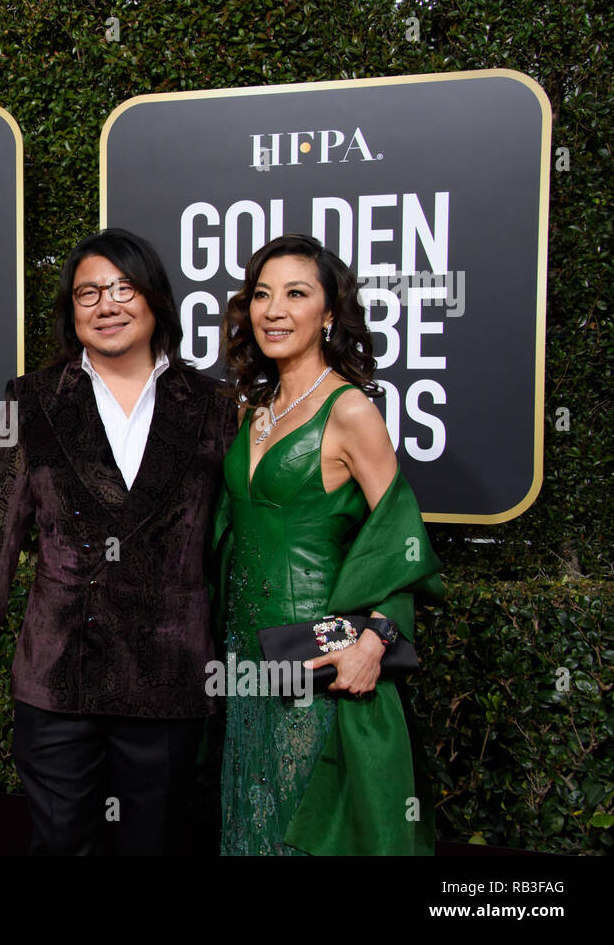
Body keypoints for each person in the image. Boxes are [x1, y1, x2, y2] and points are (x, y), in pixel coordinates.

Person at [0, 227, 235, 854]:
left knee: (154, 845)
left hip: (169, 672)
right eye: (88, 294)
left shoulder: (216, 407)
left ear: (155, 300)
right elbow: (1, 524)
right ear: (71, 314)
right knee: (60, 845)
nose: (106, 305)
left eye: (122, 288)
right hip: (57, 671)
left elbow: (238, 536)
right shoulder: (31, 400)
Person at [213, 233, 442, 855]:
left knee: (304, 831)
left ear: (330, 312)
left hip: (317, 659)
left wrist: (376, 639)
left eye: (296, 293)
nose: (274, 310)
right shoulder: (250, 409)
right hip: (243, 657)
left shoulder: (351, 411)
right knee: (251, 822)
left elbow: (400, 544)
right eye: (261, 295)